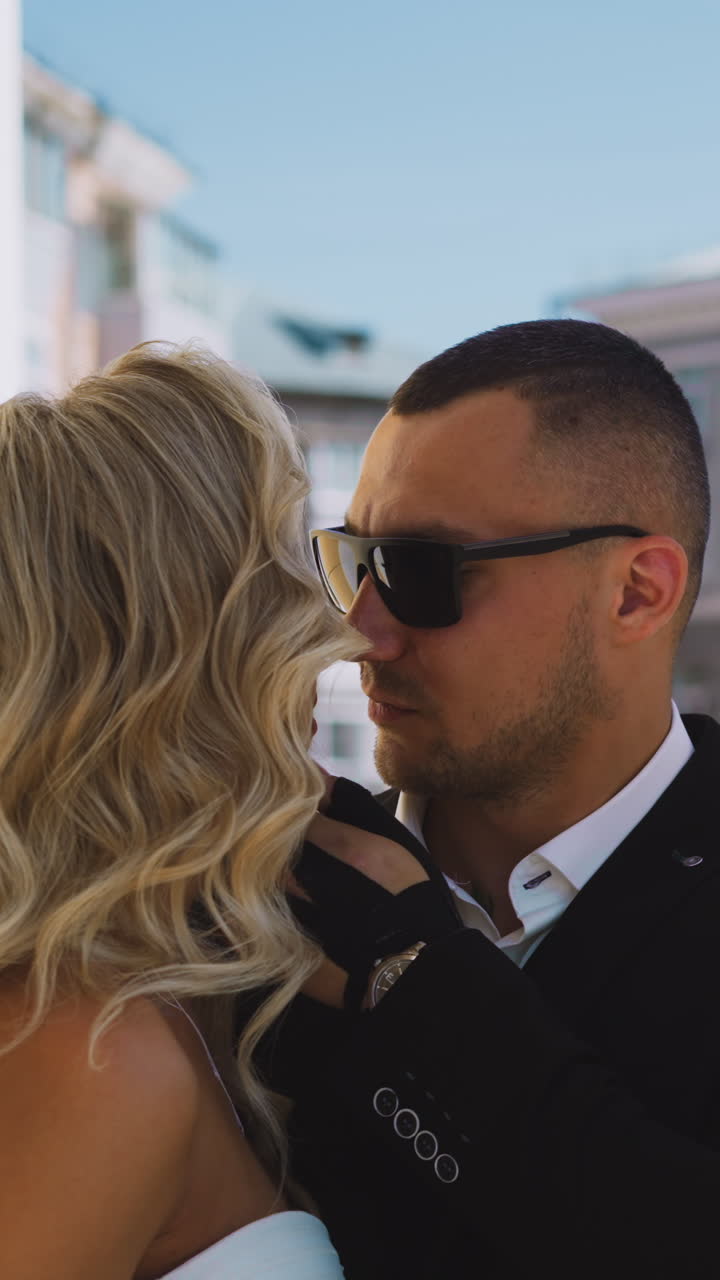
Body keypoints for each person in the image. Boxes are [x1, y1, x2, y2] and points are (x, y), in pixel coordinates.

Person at [254, 319, 720, 1279]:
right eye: (354, 562)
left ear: (637, 592)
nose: (360, 633)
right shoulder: (271, 898)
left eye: (423, 572)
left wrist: (416, 981)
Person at [0, 343, 355, 1278]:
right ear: (169, 657)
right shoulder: (89, 1052)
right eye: (284, 572)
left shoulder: (148, 982)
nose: (337, 631)